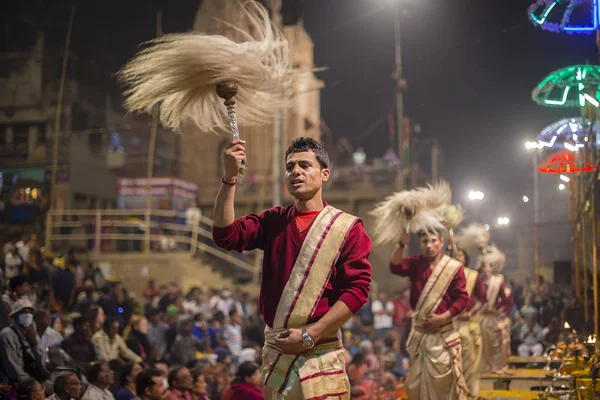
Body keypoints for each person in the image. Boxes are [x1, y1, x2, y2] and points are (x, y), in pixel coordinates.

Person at [213, 137, 372, 399]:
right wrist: (230, 177)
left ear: (324, 174)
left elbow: (357, 291)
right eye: (290, 167)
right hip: (279, 353)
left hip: (321, 350)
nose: (295, 171)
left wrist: (310, 334)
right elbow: (225, 235)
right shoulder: (274, 220)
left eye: (304, 165)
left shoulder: (348, 228)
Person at [389, 228, 469, 400]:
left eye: (433, 241)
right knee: (415, 385)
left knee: (445, 385)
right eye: (425, 241)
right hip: (419, 337)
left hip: (443, 336)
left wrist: (443, 318)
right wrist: (402, 243)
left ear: (441, 241)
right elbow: (394, 266)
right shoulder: (415, 262)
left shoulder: (453, 268)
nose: (429, 245)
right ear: (420, 244)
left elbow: (462, 299)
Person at [449, 244, 486, 397]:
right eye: (455, 255)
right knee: (452, 363)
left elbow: (483, 298)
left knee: (471, 363)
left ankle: (470, 394)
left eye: (460, 255)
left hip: (469, 325)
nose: (458, 257)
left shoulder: (473, 275)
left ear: (466, 258)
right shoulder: (446, 276)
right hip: (450, 324)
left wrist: (471, 313)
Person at [0, 298, 50, 386]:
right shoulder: (7, 334)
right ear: (15, 315)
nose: (28, 315)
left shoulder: (32, 331)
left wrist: (34, 343)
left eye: (30, 312)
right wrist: (32, 383)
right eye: (24, 312)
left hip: (35, 378)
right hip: (17, 383)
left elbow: (42, 364)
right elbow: (13, 369)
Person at [479, 258, 512, 373]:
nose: (486, 269)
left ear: (492, 268)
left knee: (496, 343)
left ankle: (496, 365)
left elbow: (505, 298)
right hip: (481, 317)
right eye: (483, 267)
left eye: (488, 266)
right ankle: (484, 366)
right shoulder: (478, 281)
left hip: (493, 317)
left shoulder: (497, 281)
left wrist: (496, 308)